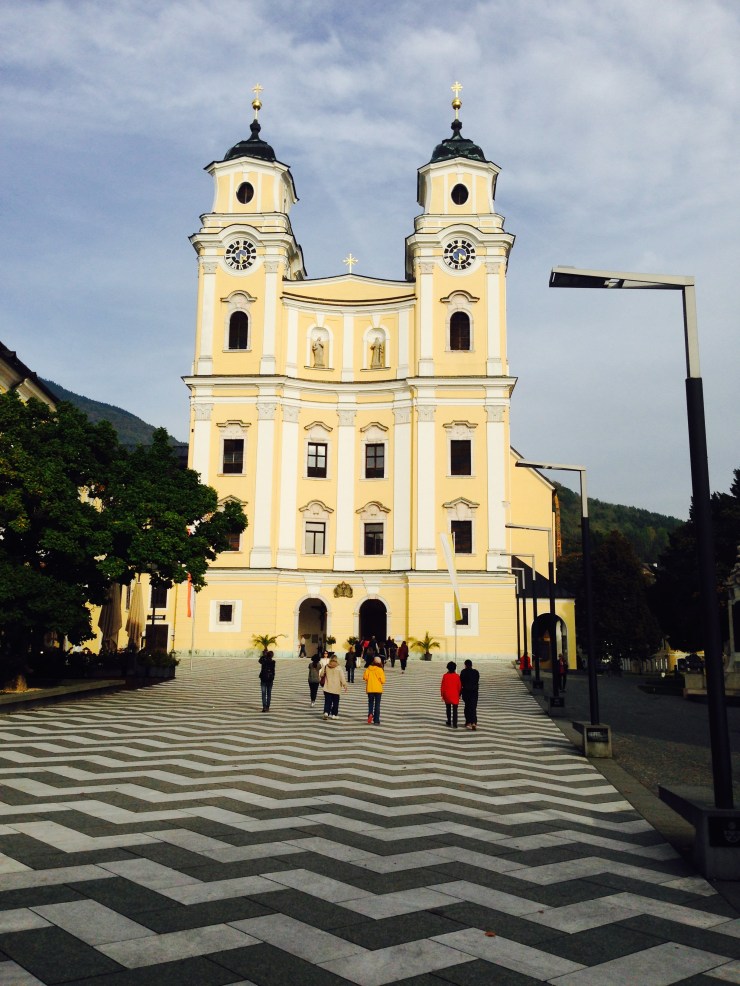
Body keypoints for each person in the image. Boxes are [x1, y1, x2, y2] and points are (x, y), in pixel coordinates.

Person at [321, 654, 347, 720]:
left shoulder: (326, 666)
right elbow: (342, 678)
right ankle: (334, 714)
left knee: (327, 701)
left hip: (327, 687)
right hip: (336, 688)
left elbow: (321, 674)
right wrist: (345, 685)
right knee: (335, 702)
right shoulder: (339, 667)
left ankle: (326, 712)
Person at [363, 655, 386, 724]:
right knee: (377, 704)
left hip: (370, 689)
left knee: (370, 703)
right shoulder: (380, 670)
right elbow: (383, 681)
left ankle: (370, 714)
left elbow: (365, 677)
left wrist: (369, 679)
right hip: (378, 689)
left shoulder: (368, 669)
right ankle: (376, 720)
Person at [460, 659, 480, 730]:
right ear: (471, 665)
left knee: (467, 707)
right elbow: (477, 681)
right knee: (473, 707)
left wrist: (459, 693)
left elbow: (461, 683)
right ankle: (474, 722)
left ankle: (468, 722)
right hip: (474, 692)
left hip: (466, 692)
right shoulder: (476, 672)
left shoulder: (463, 672)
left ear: (465, 665)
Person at [441, 661, 462, 728]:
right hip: (455, 695)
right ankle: (455, 723)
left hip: (447, 695)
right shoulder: (457, 676)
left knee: (448, 708)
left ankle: (449, 721)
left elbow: (442, 686)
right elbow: (459, 686)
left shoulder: (445, 676)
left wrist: (442, 695)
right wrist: (459, 694)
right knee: (455, 710)